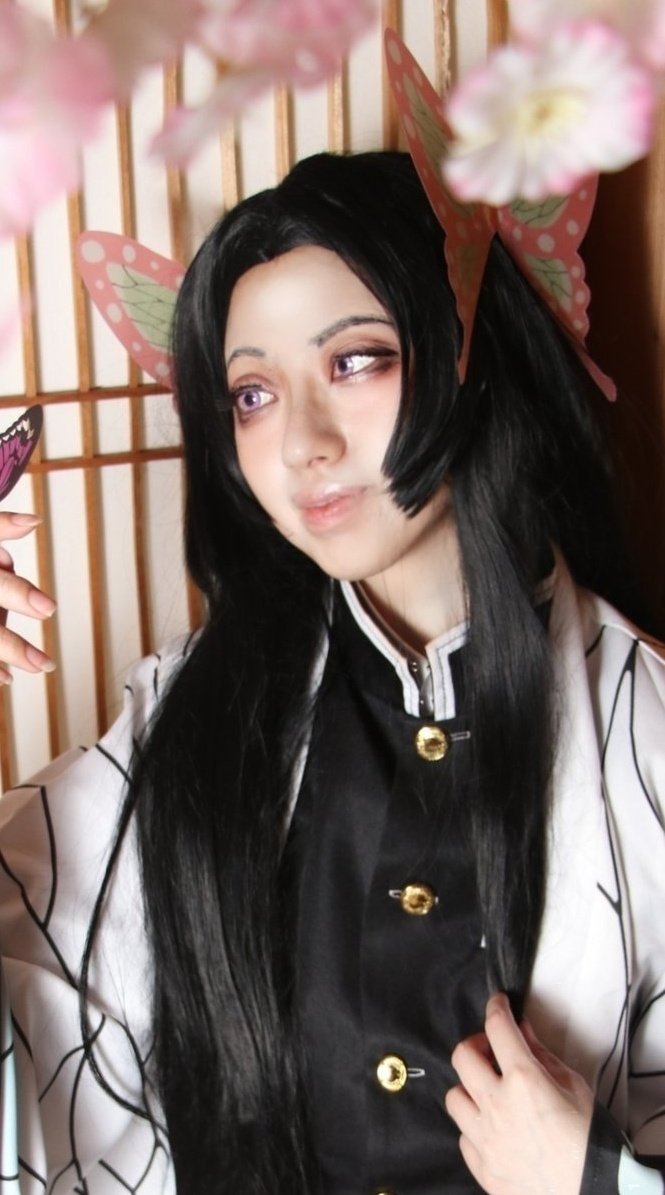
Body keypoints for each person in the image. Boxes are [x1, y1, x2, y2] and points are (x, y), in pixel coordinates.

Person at [0, 150, 664, 1195]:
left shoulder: (645, 730)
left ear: (468, 349)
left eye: (353, 361)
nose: (300, 442)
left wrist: (591, 1179)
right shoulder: (189, 724)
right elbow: (29, 1001)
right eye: (253, 394)